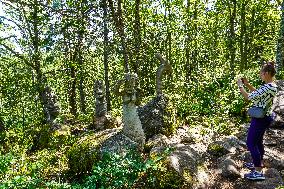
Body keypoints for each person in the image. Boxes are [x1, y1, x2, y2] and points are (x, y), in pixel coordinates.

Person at [237, 61, 277, 180]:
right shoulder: (270, 86)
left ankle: (258, 172)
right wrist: (248, 84)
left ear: (267, 73)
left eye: (261, 73)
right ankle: (257, 164)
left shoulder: (268, 86)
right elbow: (258, 94)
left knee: (251, 143)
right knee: (258, 142)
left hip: (261, 118)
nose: (260, 74)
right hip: (264, 117)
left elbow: (248, 97)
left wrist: (240, 85)